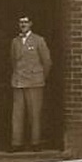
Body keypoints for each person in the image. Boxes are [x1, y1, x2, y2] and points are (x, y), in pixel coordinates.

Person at [10, 15, 52, 152]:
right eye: (21, 22)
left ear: (31, 24)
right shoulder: (15, 41)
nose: (23, 24)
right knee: (17, 113)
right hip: (18, 81)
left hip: (35, 81)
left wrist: (40, 76)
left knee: (35, 113)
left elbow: (47, 61)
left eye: (26, 22)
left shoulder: (39, 40)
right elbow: (13, 61)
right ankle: (17, 143)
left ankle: (36, 142)